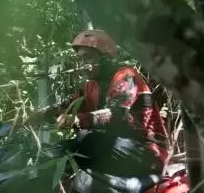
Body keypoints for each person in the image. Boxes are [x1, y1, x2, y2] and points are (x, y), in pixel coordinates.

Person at [58, 29, 169, 183]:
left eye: (88, 58)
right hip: (119, 149)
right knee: (60, 150)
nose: (83, 65)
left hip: (148, 153)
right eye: (80, 60)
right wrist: (36, 117)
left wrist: (75, 120)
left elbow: (116, 115)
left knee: (86, 139)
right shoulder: (91, 86)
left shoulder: (126, 76)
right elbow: (66, 107)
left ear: (106, 58)